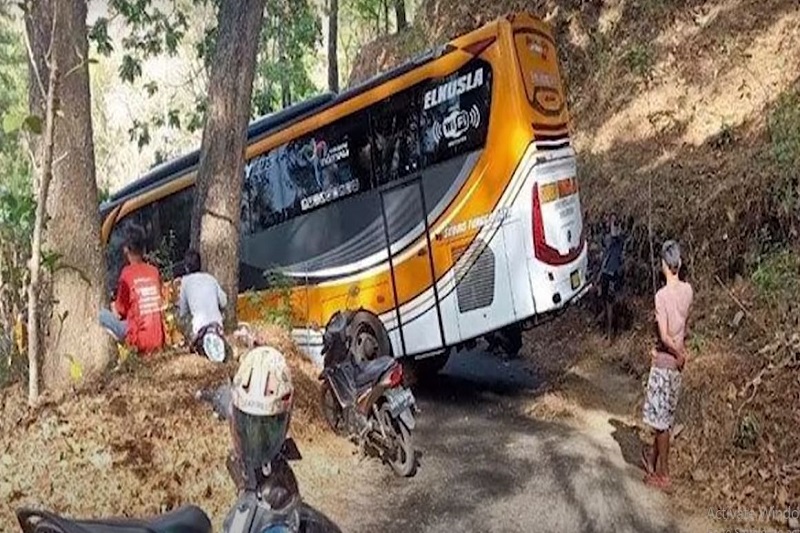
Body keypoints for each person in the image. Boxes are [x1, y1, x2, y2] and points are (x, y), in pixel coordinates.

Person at [641, 240, 693, 491]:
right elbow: (682, 327)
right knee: (666, 418)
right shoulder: (688, 291)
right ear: (679, 264)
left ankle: (663, 475)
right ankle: (652, 461)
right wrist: (681, 353)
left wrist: (674, 352)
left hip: (664, 362)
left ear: (663, 265)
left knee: (660, 423)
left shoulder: (661, 296)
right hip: (676, 366)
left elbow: (664, 336)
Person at [99, 226, 165, 354]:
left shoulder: (126, 274)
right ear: (143, 249)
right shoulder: (154, 272)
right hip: (158, 338)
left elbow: (120, 310)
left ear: (126, 249)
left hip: (139, 339)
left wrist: (114, 306)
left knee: (101, 314)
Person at [177, 249, 228, 361]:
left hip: (199, 330)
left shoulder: (185, 281)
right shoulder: (211, 278)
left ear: (186, 267)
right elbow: (224, 302)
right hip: (217, 326)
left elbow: (182, 312)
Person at [598, 213, 626, 342]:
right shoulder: (608, 237)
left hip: (613, 273)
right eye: (610, 220)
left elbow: (618, 238)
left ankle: (610, 334)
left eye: (614, 221)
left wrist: (616, 228)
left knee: (610, 303)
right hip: (606, 272)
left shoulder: (619, 237)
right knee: (604, 301)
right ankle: (608, 330)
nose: (611, 223)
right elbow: (605, 253)